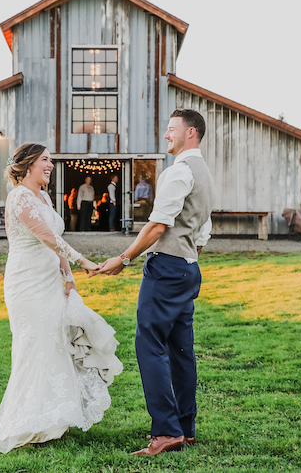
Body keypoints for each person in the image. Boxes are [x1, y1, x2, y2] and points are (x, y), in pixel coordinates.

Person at [0, 143, 123, 453]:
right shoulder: (18, 197)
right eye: (45, 160)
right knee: (34, 345)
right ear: (28, 164)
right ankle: (26, 419)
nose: (50, 165)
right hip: (27, 283)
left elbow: (56, 242)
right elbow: (45, 236)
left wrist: (67, 278)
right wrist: (81, 261)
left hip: (50, 281)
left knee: (56, 343)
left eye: (51, 161)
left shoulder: (43, 197)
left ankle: (52, 419)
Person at [91, 109, 216, 456]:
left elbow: (158, 225)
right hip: (189, 270)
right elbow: (203, 231)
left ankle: (165, 432)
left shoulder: (179, 172)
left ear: (190, 133)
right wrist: (187, 260)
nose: (166, 135)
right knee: (181, 350)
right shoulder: (205, 174)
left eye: (171, 129)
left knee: (149, 345)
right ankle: (186, 429)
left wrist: (124, 258)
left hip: (166, 270)